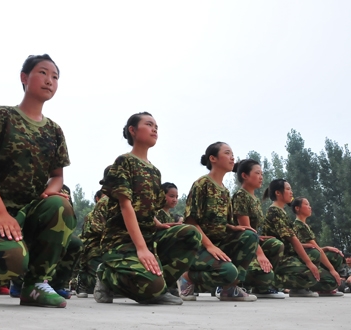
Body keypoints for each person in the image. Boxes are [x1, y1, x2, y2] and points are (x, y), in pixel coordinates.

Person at [0, 54, 76, 308]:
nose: (50, 80)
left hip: (31, 211)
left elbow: (57, 176)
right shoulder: (2, 116)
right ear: (24, 78)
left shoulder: (54, 130)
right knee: (11, 259)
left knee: (61, 206)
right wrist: (1, 213)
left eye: (55, 77)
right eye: (43, 73)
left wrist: (50, 192)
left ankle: (35, 284)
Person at [94, 112, 201, 305]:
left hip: (149, 238)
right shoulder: (123, 162)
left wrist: (157, 223)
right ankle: (106, 274)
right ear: (132, 130)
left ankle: (163, 283)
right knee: (151, 289)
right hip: (122, 242)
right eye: (149, 125)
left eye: (157, 127)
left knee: (190, 234)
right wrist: (141, 249)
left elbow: (145, 207)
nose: (154, 130)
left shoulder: (154, 171)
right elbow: (126, 205)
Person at [177, 142, 258, 302]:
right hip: (198, 247)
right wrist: (209, 245)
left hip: (218, 243)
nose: (232, 157)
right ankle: (187, 277)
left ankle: (230, 288)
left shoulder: (225, 191)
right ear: (213, 158)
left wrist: (234, 227)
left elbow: (222, 223)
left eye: (232, 153)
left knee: (249, 235)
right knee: (228, 272)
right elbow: (191, 221)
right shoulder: (202, 185)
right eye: (227, 153)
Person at [231, 159, 284, 299]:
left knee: (276, 244)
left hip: (251, 239)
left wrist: (260, 239)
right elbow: (246, 229)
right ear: (245, 175)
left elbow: (253, 230)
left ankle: (262, 287)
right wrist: (260, 254)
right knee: (265, 275)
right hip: (238, 244)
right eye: (257, 173)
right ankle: (229, 282)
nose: (261, 177)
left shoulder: (254, 198)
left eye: (262, 173)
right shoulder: (241, 196)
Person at [260, 179, 321, 297]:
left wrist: (305, 247)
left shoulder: (282, 211)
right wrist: (309, 263)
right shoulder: (274, 211)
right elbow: (292, 239)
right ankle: (267, 283)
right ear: (278, 193)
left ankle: (298, 288)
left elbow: (288, 239)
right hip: (279, 257)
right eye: (288, 189)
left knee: (314, 253)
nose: (291, 192)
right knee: (310, 273)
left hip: (287, 254)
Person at [291, 197, 343, 296]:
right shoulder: (299, 226)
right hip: (302, 261)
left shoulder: (305, 225)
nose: (310, 207)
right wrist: (332, 270)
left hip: (311, 256)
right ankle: (301, 286)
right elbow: (315, 249)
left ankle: (321, 284)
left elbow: (312, 247)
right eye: (306, 204)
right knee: (332, 282)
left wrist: (327, 248)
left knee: (335, 255)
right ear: (297, 208)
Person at [76, 167, 111, 298]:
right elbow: (98, 230)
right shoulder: (104, 202)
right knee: (98, 285)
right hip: (99, 247)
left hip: (118, 244)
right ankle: (83, 278)